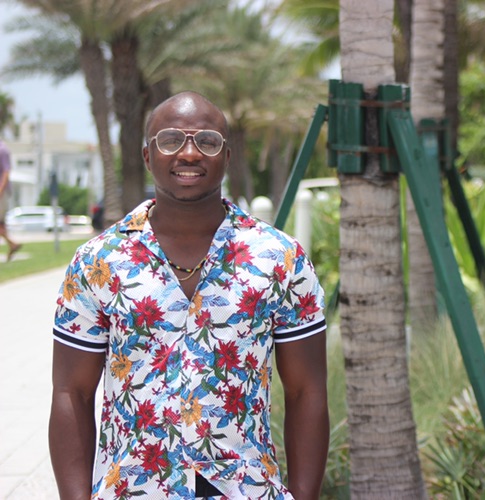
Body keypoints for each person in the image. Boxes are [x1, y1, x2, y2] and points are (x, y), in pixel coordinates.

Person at [49, 91, 329, 499]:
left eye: (207, 142)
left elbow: (307, 391)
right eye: (171, 140)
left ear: (227, 156)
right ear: (148, 156)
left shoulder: (280, 259)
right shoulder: (98, 262)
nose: (189, 153)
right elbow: (71, 393)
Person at [0, 138, 21, 261]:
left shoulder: (2, 150)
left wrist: (0, 191)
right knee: (1, 225)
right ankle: (12, 244)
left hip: (1, 193)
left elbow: (6, 172)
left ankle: (12, 244)